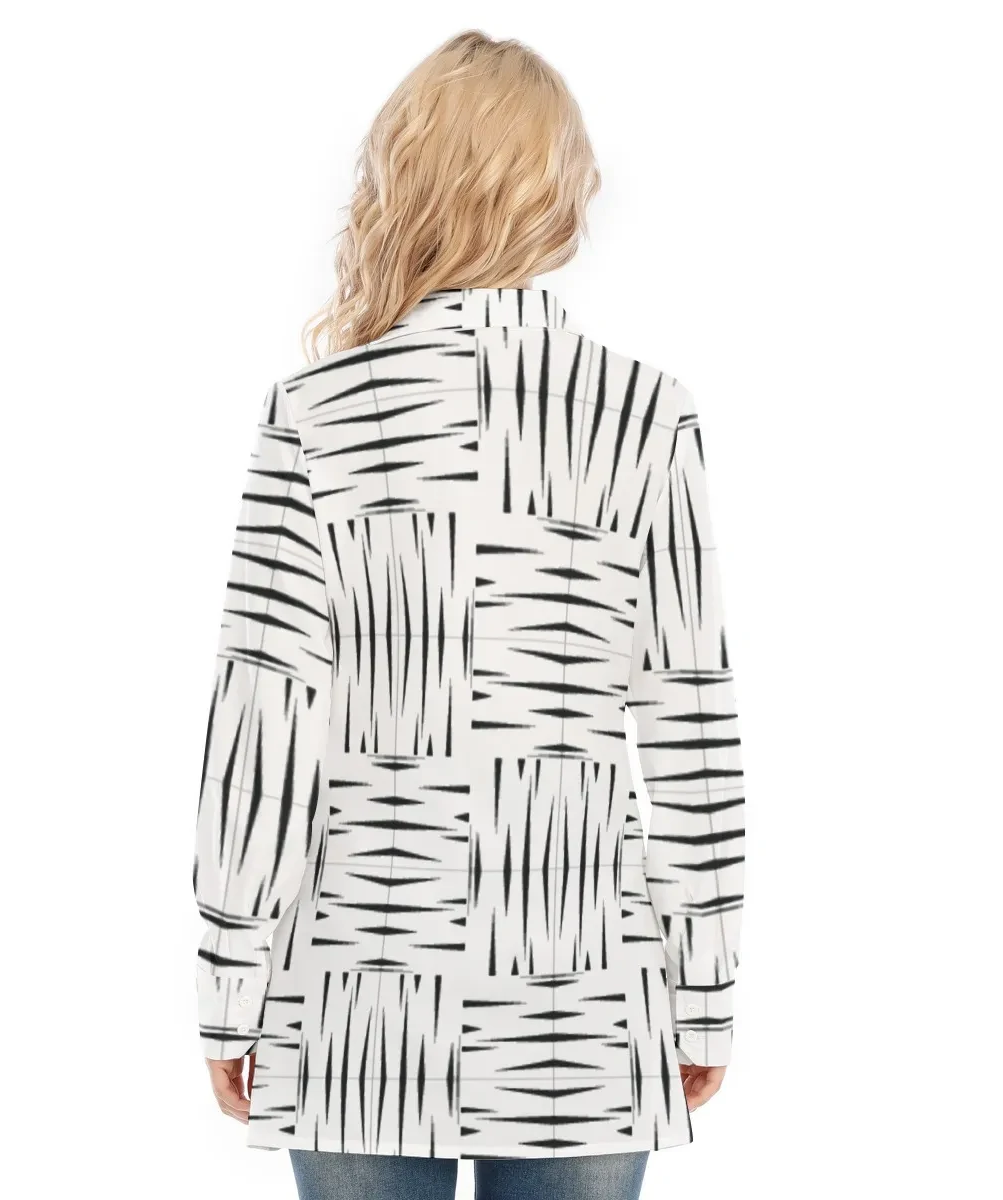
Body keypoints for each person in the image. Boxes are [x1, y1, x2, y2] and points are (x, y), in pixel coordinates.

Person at [192, 28, 745, 1200]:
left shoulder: (317, 416)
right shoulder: (645, 416)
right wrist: (704, 990)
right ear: (559, 194)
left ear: (402, 178)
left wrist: (229, 985)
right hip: (581, 997)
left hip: (356, 993)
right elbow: (688, 722)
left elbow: (262, 729)